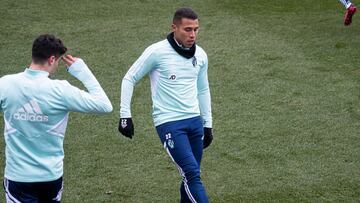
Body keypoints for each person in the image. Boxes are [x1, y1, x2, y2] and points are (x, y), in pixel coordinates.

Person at [0, 34, 113, 202]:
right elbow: (105, 106)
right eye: (58, 60)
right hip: (51, 177)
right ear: (52, 59)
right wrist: (83, 72)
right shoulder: (61, 90)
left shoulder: (5, 84)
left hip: (19, 177)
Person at [118, 7, 213, 203]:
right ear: (174, 27)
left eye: (196, 29)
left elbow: (203, 90)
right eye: (187, 29)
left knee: (191, 175)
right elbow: (129, 78)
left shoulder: (201, 55)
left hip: (195, 121)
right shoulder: (157, 52)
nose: (192, 34)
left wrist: (208, 123)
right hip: (169, 123)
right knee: (191, 174)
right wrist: (125, 115)